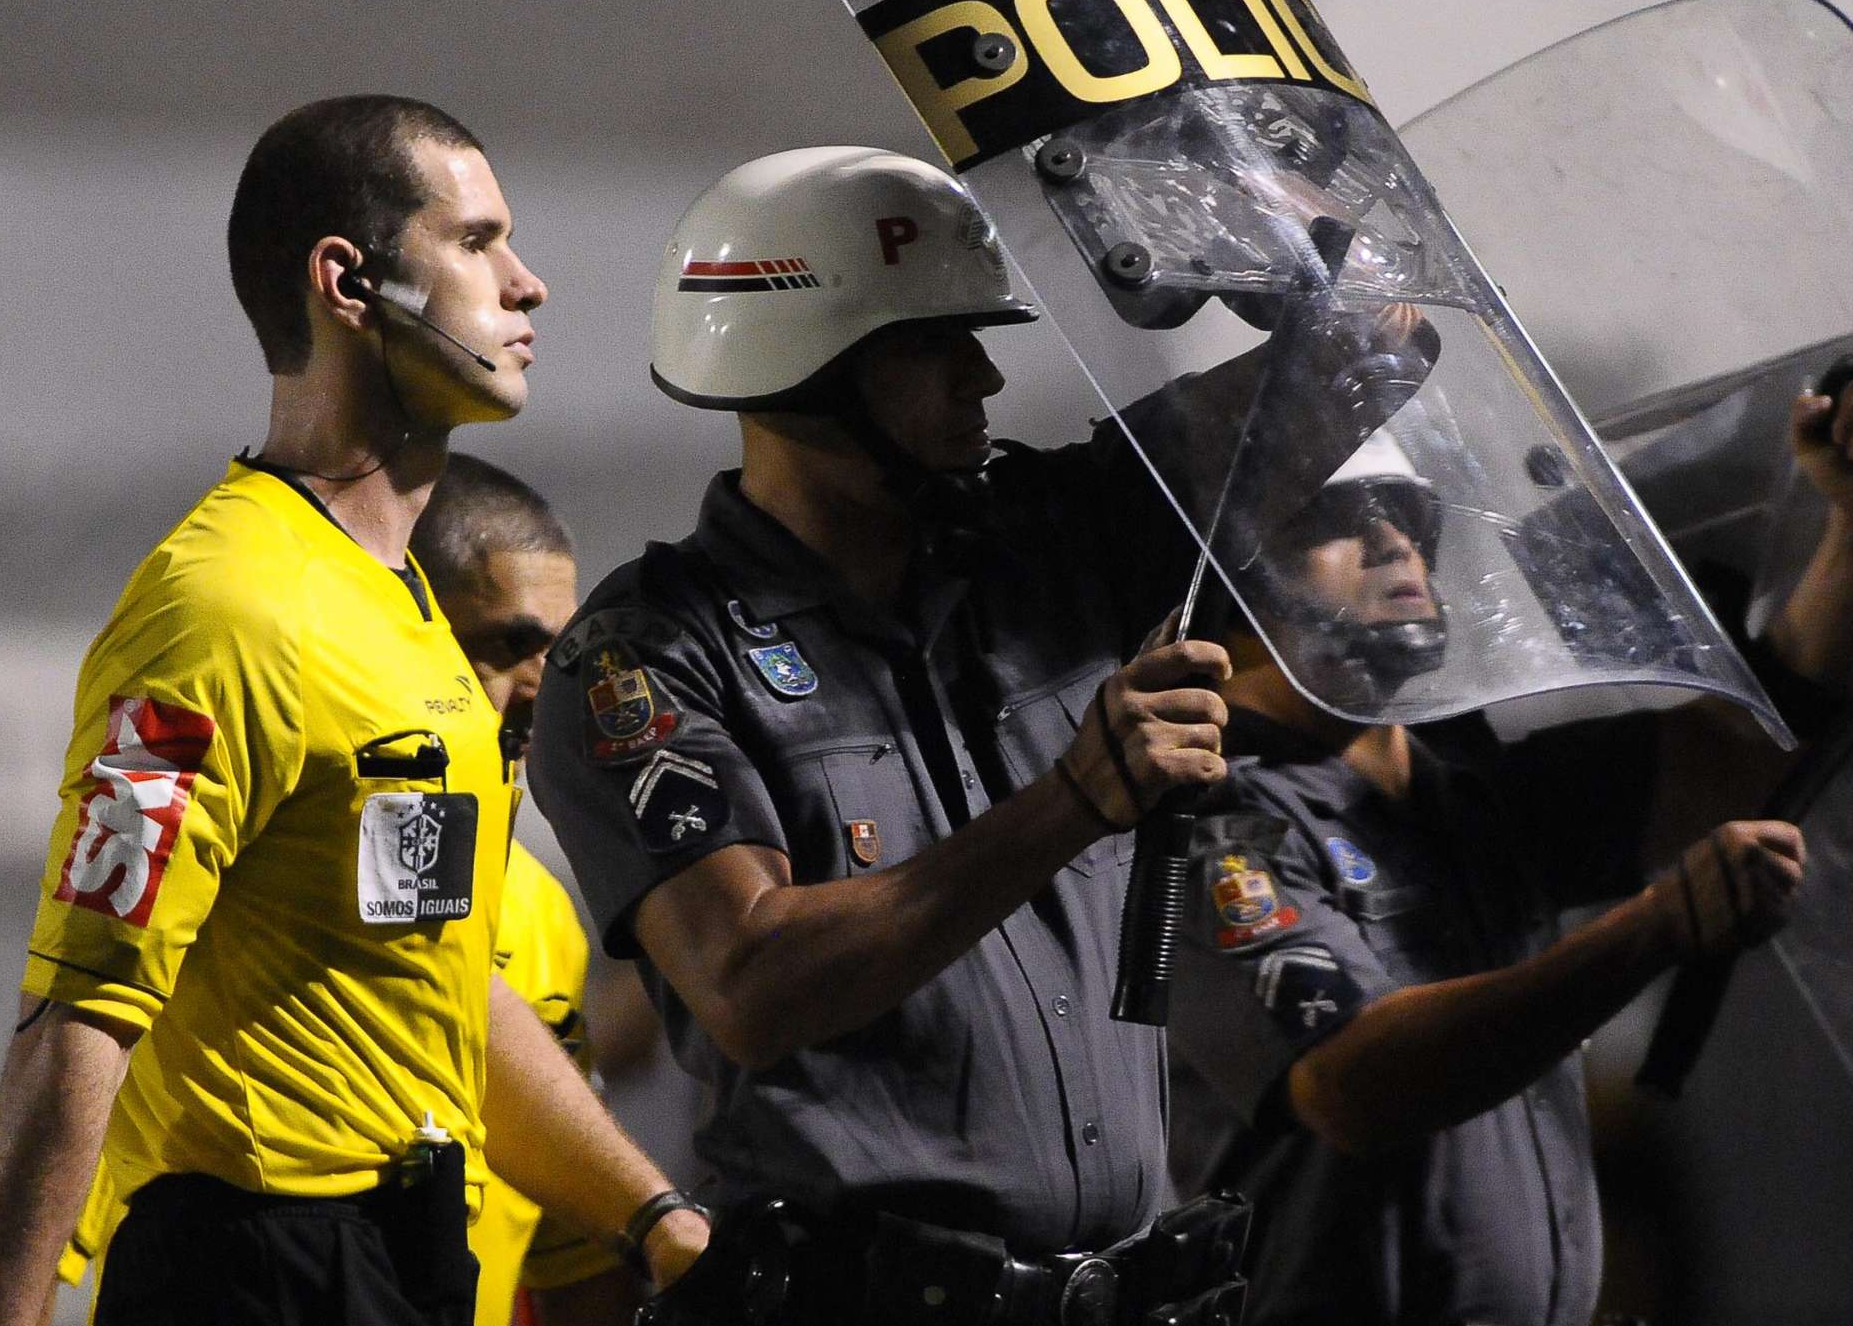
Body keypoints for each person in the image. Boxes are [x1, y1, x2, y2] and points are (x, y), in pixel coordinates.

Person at [530, 146, 1422, 1323]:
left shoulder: (1058, 538)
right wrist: (1075, 799)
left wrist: (1237, 195)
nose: (985, 374)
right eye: (935, 342)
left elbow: (1383, 343)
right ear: (808, 364)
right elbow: (749, 983)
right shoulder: (646, 653)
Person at [0, 96, 705, 1326]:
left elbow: (436, 982)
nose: (527, 283)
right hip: (257, 1270)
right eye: (475, 241)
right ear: (348, 282)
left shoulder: (407, 610)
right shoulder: (225, 605)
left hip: (402, 1256)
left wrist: (657, 1221)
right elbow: (74, 1021)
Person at [1166, 375, 1853, 1326]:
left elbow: (1745, 758)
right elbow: (1349, 1082)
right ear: (1230, 583)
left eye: (1408, 515)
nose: (1394, 541)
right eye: (1332, 522)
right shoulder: (1209, 819)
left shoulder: (1458, 792)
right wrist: (1652, 929)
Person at [407, 452, 654, 1326]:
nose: (546, 688)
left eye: (561, 649)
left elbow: (575, 1258)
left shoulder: (544, 911)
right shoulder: (273, 883)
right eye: (508, 645)